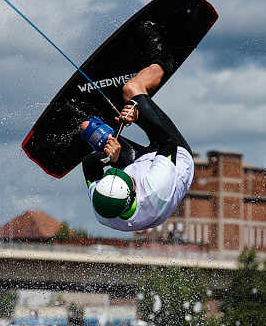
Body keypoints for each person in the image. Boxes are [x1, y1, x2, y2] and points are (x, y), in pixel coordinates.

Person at [79, 24, 194, 232]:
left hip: (143, 166)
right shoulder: (155, 189)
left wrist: (108, 159)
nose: (123, 173)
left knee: (87, 126)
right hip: (175, 158)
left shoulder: (102, 206)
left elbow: (88, 165)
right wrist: (137, 117)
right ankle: (162, 60)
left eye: (114, 173)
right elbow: (166, 141)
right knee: (131, 90)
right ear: (132, 193)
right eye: (127, 177)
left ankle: (104, 119)